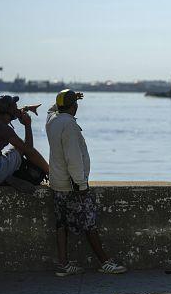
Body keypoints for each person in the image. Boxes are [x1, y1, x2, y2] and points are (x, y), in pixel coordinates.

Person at [46, 89, 126, 277]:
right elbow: (73, 158)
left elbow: (52, 109)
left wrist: (67, 99)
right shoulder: (69, 125)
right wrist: (81, 185)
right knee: (89, 223)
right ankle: (105, 262)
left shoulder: (52, 120)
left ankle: (63, 265)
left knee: (61, 223)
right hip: (72, 185)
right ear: (75, 106)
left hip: (57, 182)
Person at [0, 95, 49, 188]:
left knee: (17, 148)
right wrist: (27, 125)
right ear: (10, 109)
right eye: (15, 106)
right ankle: (51, 173)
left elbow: (10, 113)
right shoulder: (3, 128)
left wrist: (26, 108)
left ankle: (7, 176)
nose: (17, 107)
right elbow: (29, 149)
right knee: (21, 149)